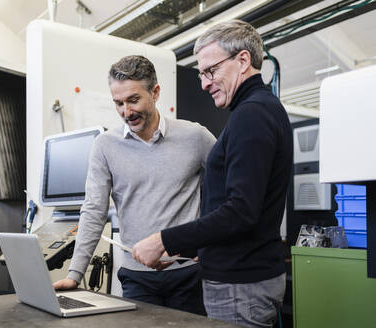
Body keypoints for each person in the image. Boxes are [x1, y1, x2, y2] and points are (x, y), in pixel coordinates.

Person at [132, 20, 293, 328]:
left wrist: (163, 240)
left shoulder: (252, 115)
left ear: (243, 60)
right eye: (202, 74)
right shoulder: (261, 109)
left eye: (211, 71)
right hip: (246, 280)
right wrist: (196, 248)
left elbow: (240, 212)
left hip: (240, 287)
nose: (204, 83)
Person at [53, 55, 216, 315]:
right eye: (118, 103)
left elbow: (230, 191)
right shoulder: (105, 145)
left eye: (133, 100)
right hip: (136, 278)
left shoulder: (195, 136)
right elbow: (94, 210)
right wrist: (75, 273)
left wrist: (208, 244)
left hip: (188, 276)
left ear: (155, 92)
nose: (126, 112)